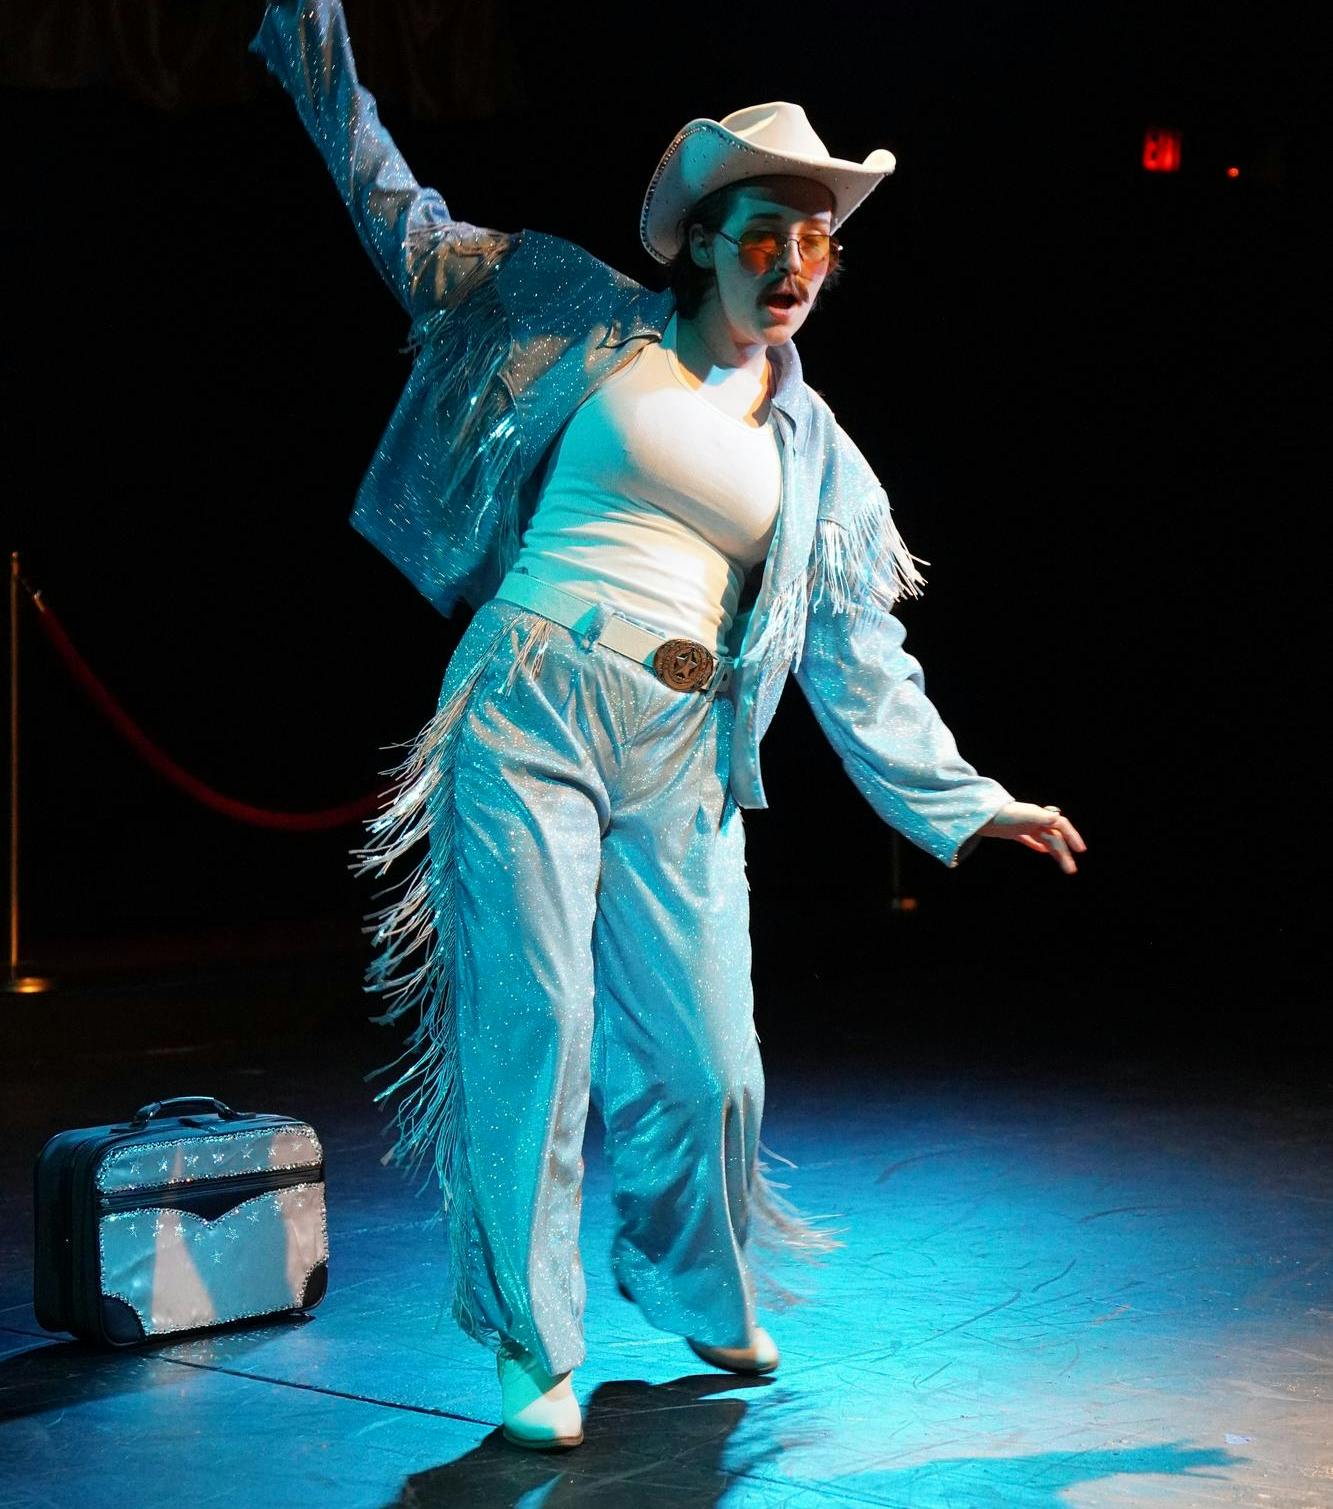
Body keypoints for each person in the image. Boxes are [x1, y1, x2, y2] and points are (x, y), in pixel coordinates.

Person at [251, 0, 1086, 1451]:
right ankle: (530, 1342)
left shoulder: (816, 452)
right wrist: (310, 30)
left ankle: (693, 1281)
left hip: (686, 746)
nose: (791, 266)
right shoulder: (563, 312)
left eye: (815, 242)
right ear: (703, 235)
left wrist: (969, 796)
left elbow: (856, 653)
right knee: (539, 1022)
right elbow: (396, 212)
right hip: (528, 701)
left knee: (713, 1062)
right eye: (765, 232)